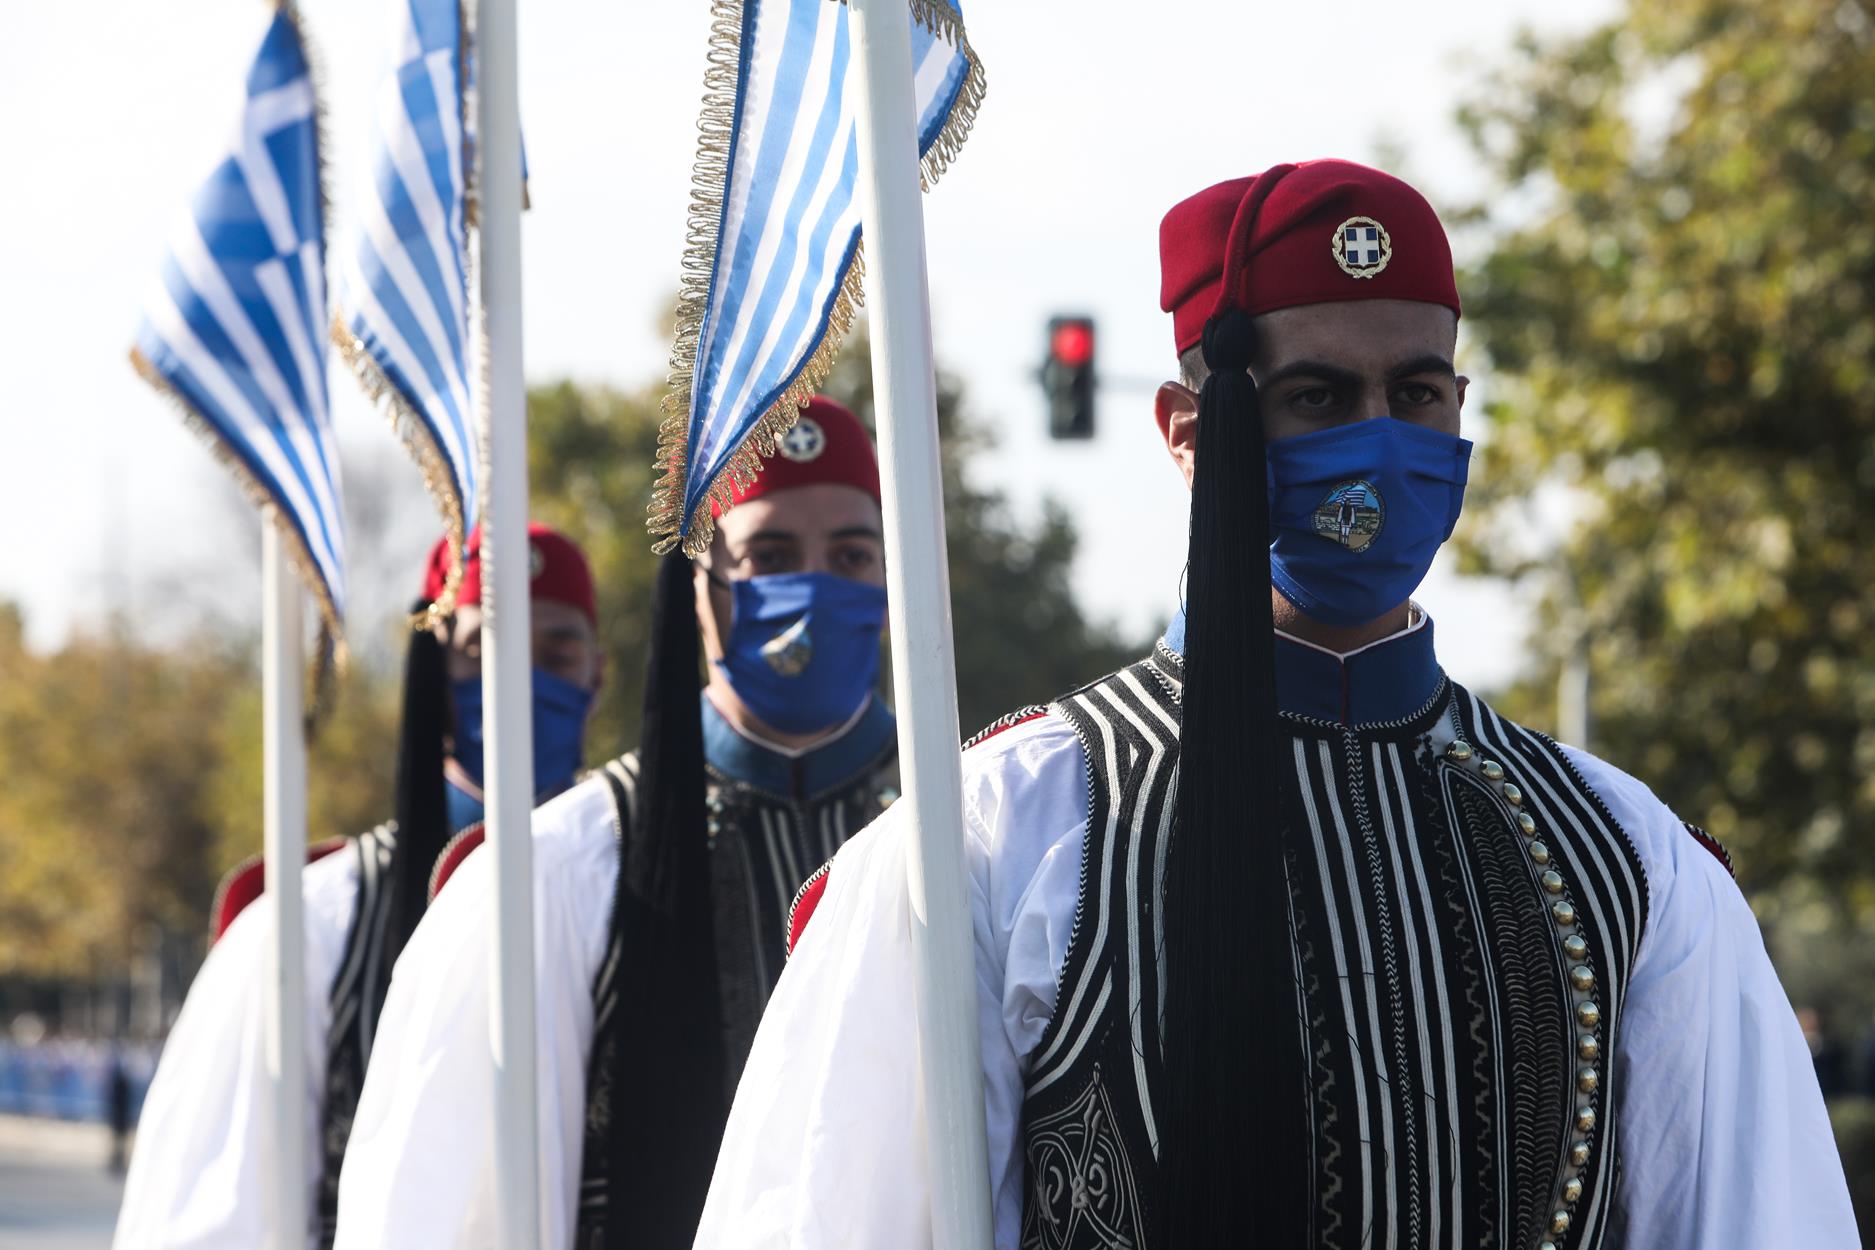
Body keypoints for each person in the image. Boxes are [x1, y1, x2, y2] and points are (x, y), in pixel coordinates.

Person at [695, 161, 1860, 1249]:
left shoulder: (1625, 850)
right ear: (1189, 433)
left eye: (1415, 392)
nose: (1379, 438)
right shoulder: (1007, 828)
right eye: (1317, 396)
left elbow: (1758, 1213)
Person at [333, 397, 898, 1250]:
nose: (812, 586)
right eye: (769, 556)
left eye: (851, 556)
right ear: (701, 587)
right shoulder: (562, 870)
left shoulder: (970, 833)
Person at [113, 523, 603, 1250]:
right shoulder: (314, 924)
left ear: (600, 672)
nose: (520, 680)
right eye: (482, 649)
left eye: (556, 650)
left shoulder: (627, 889)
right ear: (433, 673)